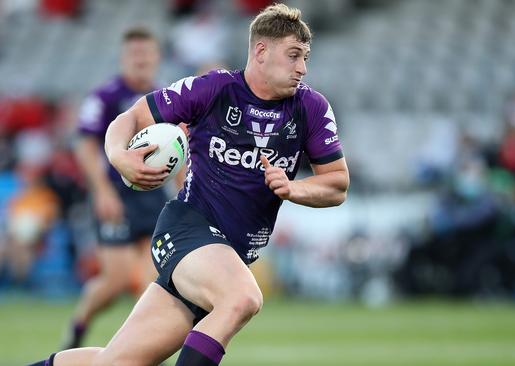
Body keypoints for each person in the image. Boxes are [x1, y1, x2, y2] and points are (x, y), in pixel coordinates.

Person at [30, 3, 349, 365]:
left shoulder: (311, 108)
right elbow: (130, 118)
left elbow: (337, 183)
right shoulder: (213, 89)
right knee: (242, 298)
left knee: (116, 362)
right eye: (294, 56)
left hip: (228, 255)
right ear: (261, 51)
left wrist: (295, 189)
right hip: (187, 229)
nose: (302, 68)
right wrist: (120, 158)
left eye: (305, 57)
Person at [62, 27, 168, 350]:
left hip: (154, 197)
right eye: (135, 54)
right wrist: (102, 191)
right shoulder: (105, 97)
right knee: (116, 281)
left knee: (155, 283)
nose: (141, 60)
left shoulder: (165, 97)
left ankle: (142, 350)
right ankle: (80, 323)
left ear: (156, 57)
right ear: (124, 58)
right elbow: (85, 144)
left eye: (146, 53)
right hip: (117, 196)